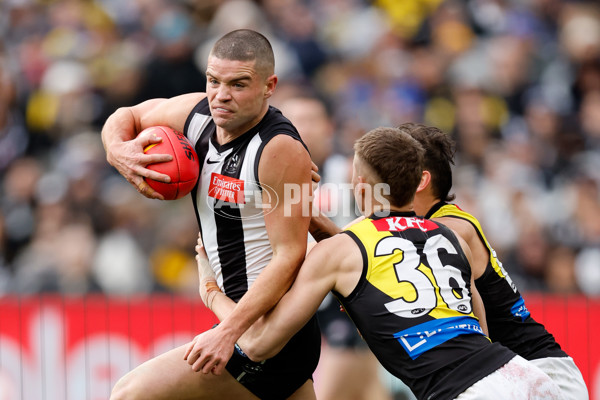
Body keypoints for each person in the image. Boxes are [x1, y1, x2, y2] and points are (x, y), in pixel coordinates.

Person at [189, 126, 562, 400]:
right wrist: (312, 216)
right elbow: (479, 326)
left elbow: (260, 343)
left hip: (465, 392)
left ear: (361, 186)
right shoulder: (448, 236)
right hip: (524, 376)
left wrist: (209, 291)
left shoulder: (340, 252)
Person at [101, 29, 321, 400]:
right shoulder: (197, 114)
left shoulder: (278, 148)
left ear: (270, 86)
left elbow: (289, 255)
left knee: (130, 393)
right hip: (243, 321)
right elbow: (128, 114)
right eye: (213, 81)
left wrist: (226, 332)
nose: (221, 95)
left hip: (271, 333)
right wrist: (118, 152)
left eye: (238, 84)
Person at [402, 123, 589, 400]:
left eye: (392, 169)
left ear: (421, 181)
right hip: (517, 374)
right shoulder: (440, 224)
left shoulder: (449, 229)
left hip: (540, 374)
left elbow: (364, 253)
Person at [277, 94, 392, 400]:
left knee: (335, 385)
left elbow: (384, 227)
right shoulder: (275, 178)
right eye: (296, 121)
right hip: (301, 291)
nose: (305, 129)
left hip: (346, 294)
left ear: (328, 126)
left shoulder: (350, 174)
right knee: (368, 387)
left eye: (312, 120)